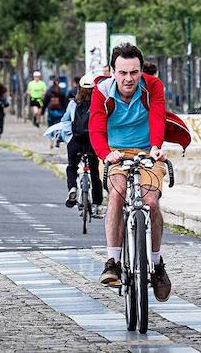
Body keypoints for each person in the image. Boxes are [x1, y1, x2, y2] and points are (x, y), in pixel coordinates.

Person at [91, 43, 171, 302]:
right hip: (114, 151)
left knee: (150, 201)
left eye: (134, 72)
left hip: (148, 150)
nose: (129, 79)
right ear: (112, 71)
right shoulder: (101, 91)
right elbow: (96, 128)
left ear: (141, 71)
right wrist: (105, 154)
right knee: (117, 194)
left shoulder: (153, 87)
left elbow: (158, 117)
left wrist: (157, 147)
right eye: (123, 72)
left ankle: (157, 265)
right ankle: (113, 260)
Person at [63, 75, 102, 212]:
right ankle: (97, 205)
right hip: (93, 142)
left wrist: (65, 137)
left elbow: (65, 121)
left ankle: (72, 187)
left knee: (72, 167)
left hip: (76, 141)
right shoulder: (99, 105)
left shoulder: (73, 104)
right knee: (95, 173)